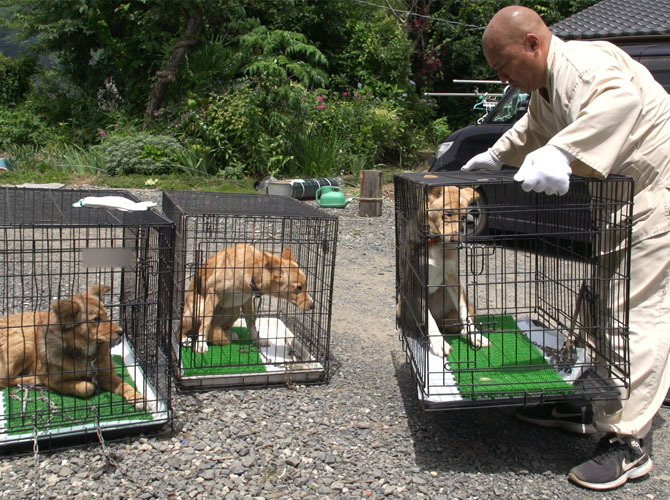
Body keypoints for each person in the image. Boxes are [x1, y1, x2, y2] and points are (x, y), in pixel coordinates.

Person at [461, 5, 670, 491]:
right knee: (598, 303)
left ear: (533, 43)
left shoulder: (581, 64)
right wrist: (493, 154)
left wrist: (562, 151)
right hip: (621, 199)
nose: (504, 79)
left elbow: (619, 102)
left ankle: (627, 440)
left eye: (505, 66)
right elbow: (533, 129)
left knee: (635, 311)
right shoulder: (545, 85)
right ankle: (587, 403)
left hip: (657, 193)